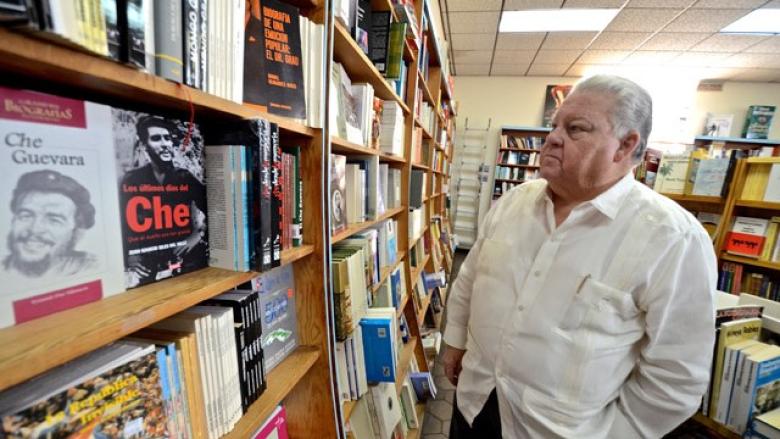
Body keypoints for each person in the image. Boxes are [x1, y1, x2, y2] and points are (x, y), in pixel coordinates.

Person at [442, 75, 717, 438]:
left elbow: (676, 375)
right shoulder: (514, 202)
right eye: (554, 125)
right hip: (473, 402)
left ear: (625, 145)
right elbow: (472, 278)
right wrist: (454, 342)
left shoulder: (673, 239)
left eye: (576, 129)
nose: (553, 137)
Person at [121, 116, 206, 287]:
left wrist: (197, 235)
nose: (165, 143)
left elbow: (217, 210)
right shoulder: (131, 180)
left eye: (167, 138)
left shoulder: (184, 177)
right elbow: (119, 224)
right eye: (156, 138)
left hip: (187, 264)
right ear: (144, 145)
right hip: (148, 270)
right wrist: (129, 255)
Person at [3, 170, 98, 280]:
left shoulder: (92, 268)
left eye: (54, 220)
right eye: (26, 216)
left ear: (76, 231)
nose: (35, 229)